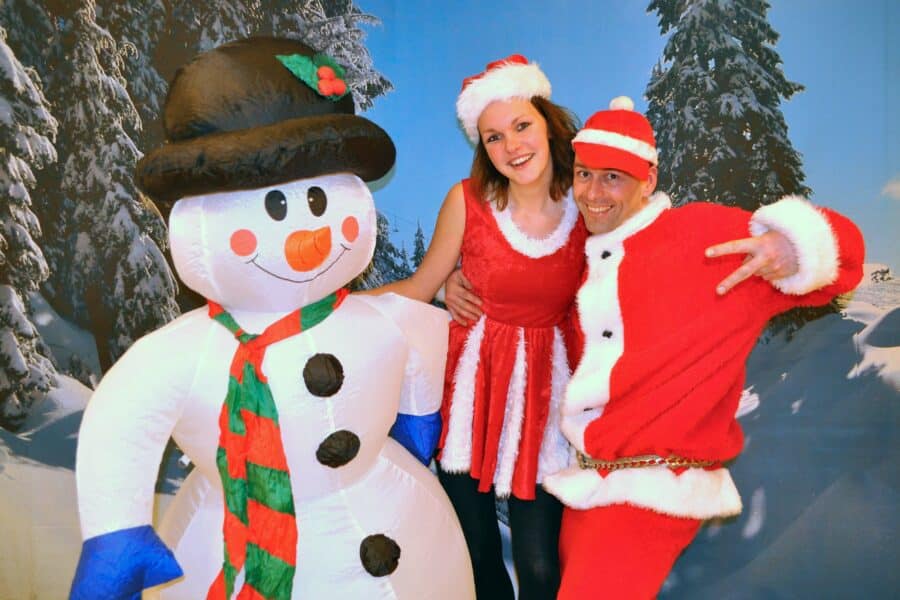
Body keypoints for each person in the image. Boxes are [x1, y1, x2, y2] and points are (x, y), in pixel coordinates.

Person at [373, 57, 798, 599]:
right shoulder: (468, 200)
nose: (511, 146)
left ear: (548, 124)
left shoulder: (587, 207)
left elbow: (634, 277)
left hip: (546, 400)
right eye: (494, 137)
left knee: (540, 564)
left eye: (521, 126)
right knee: (477, 554)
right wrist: (326, 301)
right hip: (471, 394)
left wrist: (781, 245)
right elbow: (420, 284)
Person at [524, 97, 864, 599]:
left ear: (648, 180)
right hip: (590, 486)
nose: (592, 193)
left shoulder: (701, 235)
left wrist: (790, 247)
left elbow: (846, 251)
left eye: (612, 177)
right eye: (583, 174)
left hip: (655, 492)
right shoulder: (590, 254)